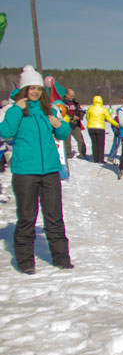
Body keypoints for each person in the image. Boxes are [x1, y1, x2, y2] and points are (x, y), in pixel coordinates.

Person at [0, 66, 73, 274]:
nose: (35, 92)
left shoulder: (48, 110)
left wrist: (60, 124)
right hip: (25, 173)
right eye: (31, 88)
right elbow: (5, 131)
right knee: (26, 217)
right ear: (24, 89)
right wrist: (16, 109)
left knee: (54, 217)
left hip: (49, 170)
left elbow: (62, 134)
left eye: (38, 89)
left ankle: (61, 259)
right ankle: (25, 262)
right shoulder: (15, 111)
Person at [85, 95, 119, 163]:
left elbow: (87, 117)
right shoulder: (103, 109)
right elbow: (109, 119)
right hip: (100, 128)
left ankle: (95, 159)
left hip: (91, 128)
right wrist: (116, 124)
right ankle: (100, 159)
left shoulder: (90, 108)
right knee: (101, 144)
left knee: (94, 143)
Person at [62, 88, 86, 159]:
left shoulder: (75, 102)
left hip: (75, 124)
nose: (72, 97)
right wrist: (71, 117)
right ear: (66, 95)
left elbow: (79, 110)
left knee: (80, 140)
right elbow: (62, 113)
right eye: (71, 96)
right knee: (67, 141)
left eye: (73, 96)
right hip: (67, 124)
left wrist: (79, 116)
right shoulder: (62, 102)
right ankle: (68, 155)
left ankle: (82, 154)